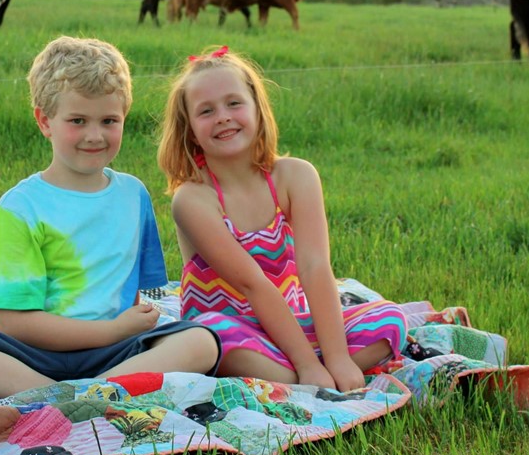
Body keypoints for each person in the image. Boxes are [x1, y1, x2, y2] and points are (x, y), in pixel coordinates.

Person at [0, 36, 221, 401]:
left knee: (202, 341)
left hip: (117, 356)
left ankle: (77, 398)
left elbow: (132, 293)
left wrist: (124, 332)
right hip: (32, 357)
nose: (95, 135)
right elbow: (13, 323)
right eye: (77, 120)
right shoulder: (19, 209)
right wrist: (111, 331)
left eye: (109, 120)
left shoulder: (133, 195)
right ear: (44, 121)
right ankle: (78, 398)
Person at [157, 45, 407, 393]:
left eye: (234, 103)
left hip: (293, 324)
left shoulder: (296, 176)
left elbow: (315, 266)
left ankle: (294, 375)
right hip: (233, 332)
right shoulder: (193, 199)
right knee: (211, 335)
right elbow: (251, 284)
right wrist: (307, 363)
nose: (223, 117)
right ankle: (298, 373)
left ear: (258, 108)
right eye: (206, 111)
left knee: (390, 318)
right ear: (189, 130)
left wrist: (337, 358)